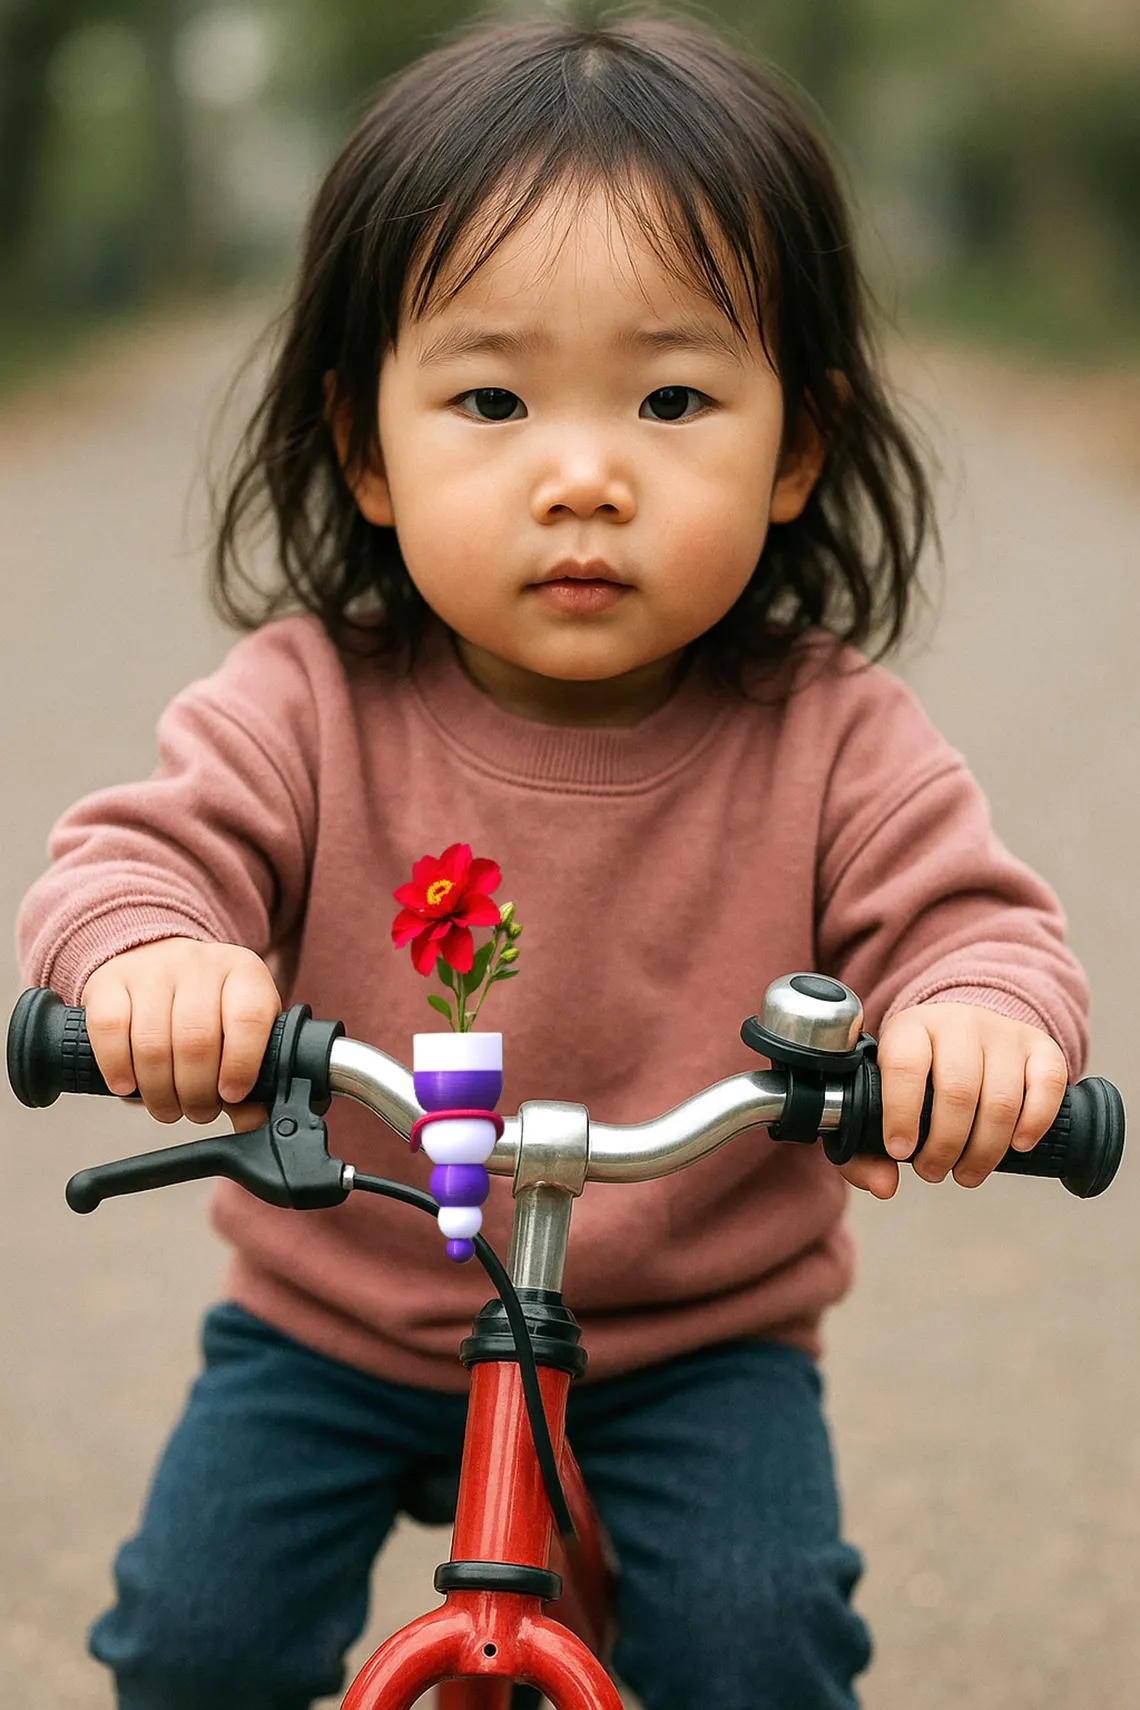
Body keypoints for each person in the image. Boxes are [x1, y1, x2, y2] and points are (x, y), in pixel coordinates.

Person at [16, 14, 1087, 1710]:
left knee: (761, 1640)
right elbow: (134, 858)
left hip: (693, 1345)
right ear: (369, 446)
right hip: (337, 1316)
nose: (583, 474)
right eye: (493, 399)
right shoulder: (306, 701)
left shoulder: (830, 733)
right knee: (193, 1637)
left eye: (672, 399)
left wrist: (976, 1024)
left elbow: (979, 927)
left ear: (795, 446)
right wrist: (157, 958)